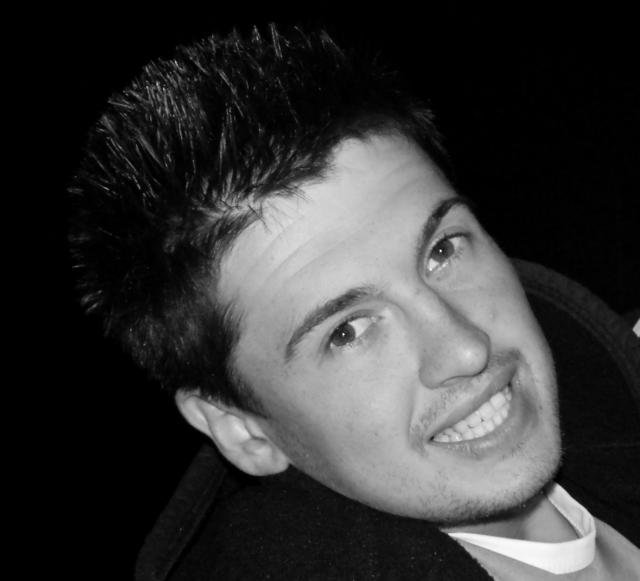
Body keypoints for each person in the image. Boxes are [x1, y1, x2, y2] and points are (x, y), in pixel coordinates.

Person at [69, 25, 640, 579]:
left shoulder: (613, 390)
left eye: (441, 251)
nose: (466, 349)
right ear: (244, 432)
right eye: (347, 331)